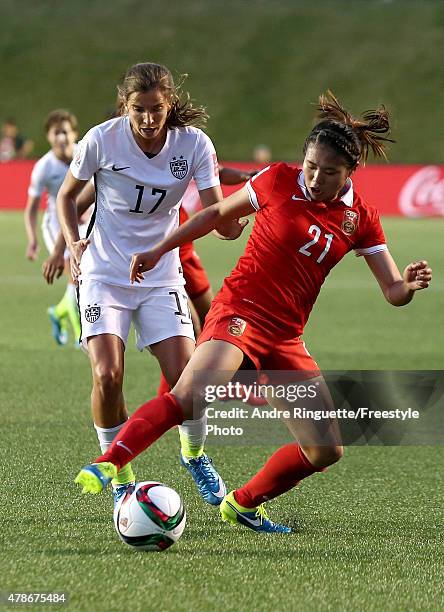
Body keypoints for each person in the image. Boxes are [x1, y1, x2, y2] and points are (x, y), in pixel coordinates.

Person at [74, 91, 432, 533]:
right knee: (190, 396)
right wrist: (158, 249)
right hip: (238, 314)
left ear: (350, 174)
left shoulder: (361, 218)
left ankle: (242, 504)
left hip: (286, 337)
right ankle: (110, 462)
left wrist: (409, 286)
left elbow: (392, 290)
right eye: (311, 166)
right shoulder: (279, 180)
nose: (316, 178)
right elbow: (215, 214)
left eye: (330, 172)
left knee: (325, 450)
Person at [57, 62, 248, 505]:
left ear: (169, 105)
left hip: (161, 276)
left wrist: (242, 216)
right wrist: (73, 245)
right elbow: (67, 196)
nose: (147, 119)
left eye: (156, 109)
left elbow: (217, 216)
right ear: (125, 106)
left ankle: (194, 454)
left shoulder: (194, 144)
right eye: (138, 110)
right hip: (104, 274)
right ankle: (120, 476)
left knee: (187, 380)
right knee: (108, 374)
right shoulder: (101, 140)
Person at [24, 109, 86, 346]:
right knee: (76, 269)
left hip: (84, 221)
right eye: (56, 133)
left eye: (65, 132)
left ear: (74, 134)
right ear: (49, 137)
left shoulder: (84, 153)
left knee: (85, 273)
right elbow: (31, 208)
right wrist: (32, 240)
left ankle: (60, 311)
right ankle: (81, 331)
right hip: (55, 225)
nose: (62, 138)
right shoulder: (43, 167)